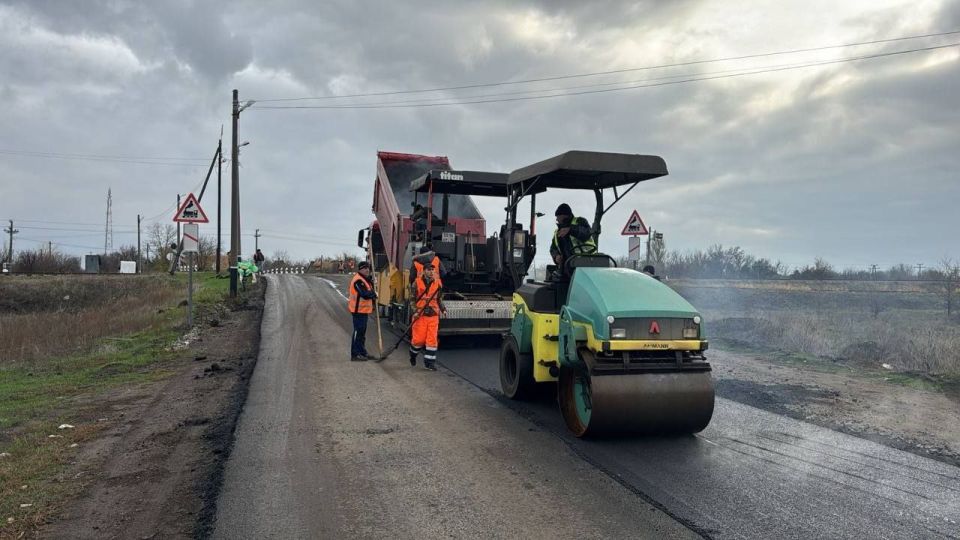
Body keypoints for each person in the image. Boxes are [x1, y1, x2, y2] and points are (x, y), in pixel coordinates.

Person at [408, 263, 446, 371]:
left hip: (433, 315)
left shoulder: (438, 283)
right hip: (420, 315)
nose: (431, 272)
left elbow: (439, 299)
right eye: (429, 270)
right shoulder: (417, 283)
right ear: (424, 271)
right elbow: (411, 299)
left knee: (432, 340)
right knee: (418, 340)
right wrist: (415, 311)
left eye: (433, 270)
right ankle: (413, 355)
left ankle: (429, 363)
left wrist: (443, 309)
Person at [549, 203, 596, 274]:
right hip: (567, 267)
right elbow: (553, 248)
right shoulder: (557, 232)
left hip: (588, 263)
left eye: (558, 217)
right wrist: (556, 256)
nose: (557, 219)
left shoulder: (580, 221)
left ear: (563, 216)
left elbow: (586, 233)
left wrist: (570, 230)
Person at [348, 261, 378, 361]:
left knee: (362, 333)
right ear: (360, 269)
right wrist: (373, 294)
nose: (367, 270)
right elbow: (364, 294)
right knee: (358, 331)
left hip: (364, 311)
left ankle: (362, 352)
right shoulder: (358, 280)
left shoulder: (365, 280)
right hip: (357, 311)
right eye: (365, 268)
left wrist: (372, 285)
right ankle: (355, 354)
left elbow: (369, 291)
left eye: (368, 268)